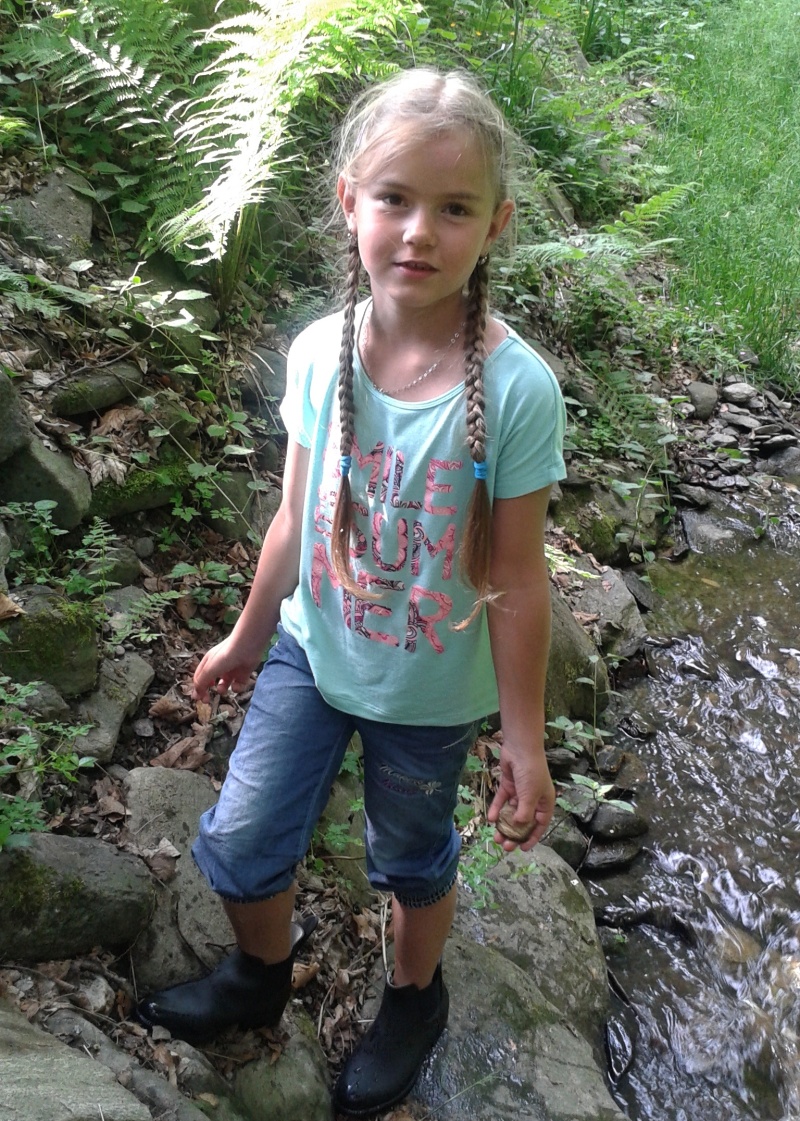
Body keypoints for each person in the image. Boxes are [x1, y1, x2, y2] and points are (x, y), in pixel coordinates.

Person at [136, 66, 566, 1116]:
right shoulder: (317, 355)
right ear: (348, 202)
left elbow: (516, 573)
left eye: (453, 207)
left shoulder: (518, 389)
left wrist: (523, 736)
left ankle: (413, 997)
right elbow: (294, 515)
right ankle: (259, 973)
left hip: (431, 693)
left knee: (411, 857)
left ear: (495, 224)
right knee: (242, 839)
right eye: (395, 198)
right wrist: (248, 636)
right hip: (314, 653)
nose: (419, 230)